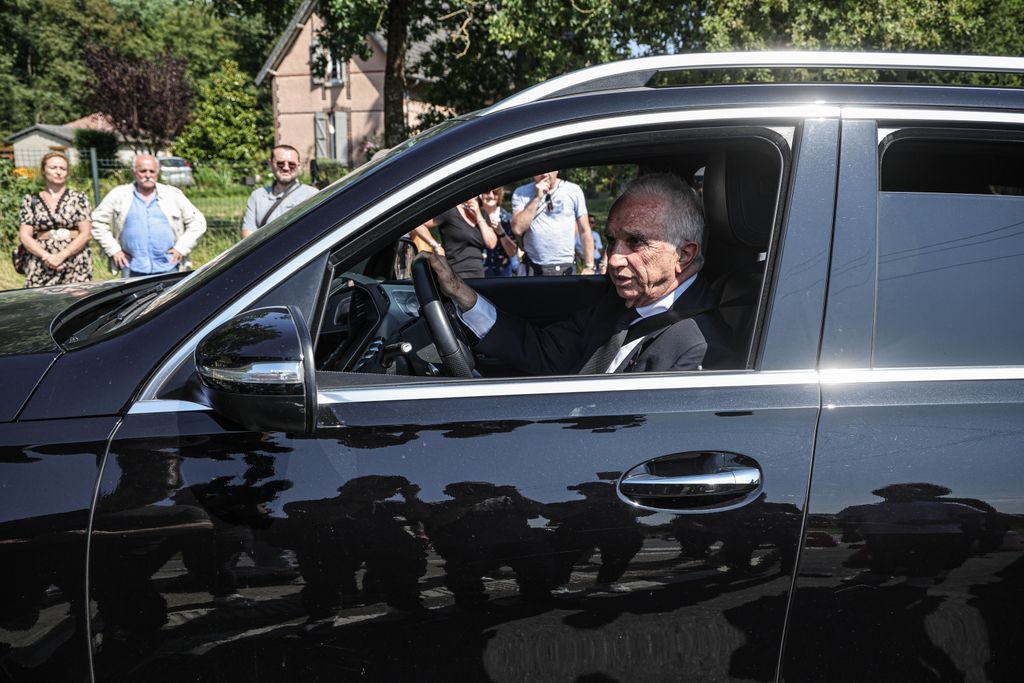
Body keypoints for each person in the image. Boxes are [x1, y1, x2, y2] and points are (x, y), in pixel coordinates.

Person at [428, 173, 735, 374]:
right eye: (612, 240)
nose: (613, 259)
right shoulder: (617, 305)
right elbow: (541, 352)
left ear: (684, 255)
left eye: (635, 242)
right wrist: (463, 295)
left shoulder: (702, 349)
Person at [91, 154, 207, 277]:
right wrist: (114, 250)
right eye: (143, 171)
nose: (148, 175)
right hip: (132, 267)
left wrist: (182, 248)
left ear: (157, 173)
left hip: (169, 266)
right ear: (134, 172)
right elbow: (97, 222)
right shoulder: (119, 195)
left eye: (152, 171)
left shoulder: (172, 195)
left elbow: (198, 223)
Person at [18, 151, 94, 287]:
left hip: (75, 260)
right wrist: (47, 257)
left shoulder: (79, 198)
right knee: (41, 304)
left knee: (77, 303)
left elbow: (86, 233)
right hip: (40, 262)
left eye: (62, 168)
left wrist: (62, 255)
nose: (58, 172)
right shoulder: (30, 200)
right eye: (53, 168)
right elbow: (25, 236)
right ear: (43, 170)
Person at [511, 170, 594, 276]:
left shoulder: (573, 190)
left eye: (549, 170)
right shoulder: (521, 193)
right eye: (539, 170)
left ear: (557, 170)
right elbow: (517, 228)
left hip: (565, 266)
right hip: (532, 266)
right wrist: (537, 198)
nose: (544, 174)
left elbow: (585, 230)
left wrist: (589, 266)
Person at [241, 145, 319, 238]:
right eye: (280, 163)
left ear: (298, 166)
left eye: (291, 164)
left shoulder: (311, 195)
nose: (286, 168)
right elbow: (247, 233)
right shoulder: (257, 195)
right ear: (270, 164)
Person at [419, 194, 499, 280]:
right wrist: (435, 245)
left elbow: (491, 244)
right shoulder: (450, 211)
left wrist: (478, 215)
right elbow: (418, 225)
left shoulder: (482, 213)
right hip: (457, 273)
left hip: (478, 274)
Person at [480, 187, 519, 277]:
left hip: (503, 271)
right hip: (479, 271)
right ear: (480, 195)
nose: (491, 195)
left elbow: (512, 252)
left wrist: (500, 231)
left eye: (495, 192)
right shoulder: (474, 216)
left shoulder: (507, 218)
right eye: (486, 191)